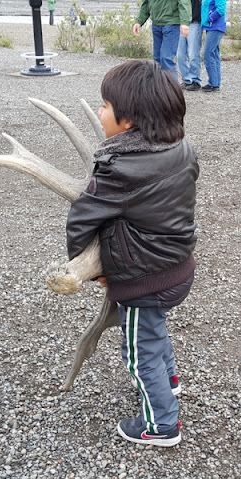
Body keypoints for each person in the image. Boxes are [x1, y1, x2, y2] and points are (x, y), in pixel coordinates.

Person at [66, 60, 199, 447]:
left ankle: (161, 425)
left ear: (127, 122)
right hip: (178, 266)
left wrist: (89, 268)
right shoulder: (182, 148)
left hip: (143, 280)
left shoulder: (118, 168)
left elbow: (81, 220)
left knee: (138, 352)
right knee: (154, 331)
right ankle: (170, 382)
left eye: (105, 105)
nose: (101, 111)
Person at [133, 0, 191, 77]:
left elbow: (184, 2)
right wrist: (139, 21)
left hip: (171, 23)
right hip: (156, 24)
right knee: (156, 60)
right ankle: (158, 87)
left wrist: (185, 22)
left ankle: (172, 87)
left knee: (166, 58)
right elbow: (146, 3)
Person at [200, 0, 226, 92]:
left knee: (208, 53)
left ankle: (213, 83)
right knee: (214, 54)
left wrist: (209, 18)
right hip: (211, 27)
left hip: (216, 26)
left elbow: (221, 9)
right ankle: (215, 83)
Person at [177, 0, 202, 90]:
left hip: (194, 22)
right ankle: (186, 79)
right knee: (180, 54)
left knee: (193, 53)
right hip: (180, 23)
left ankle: (195, 80)